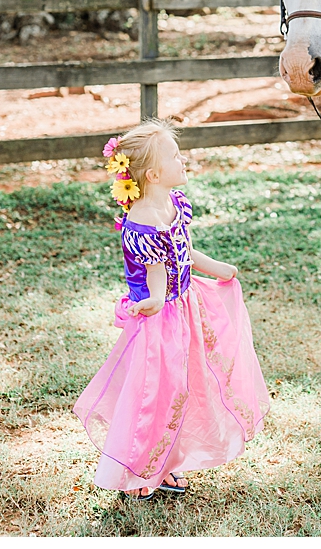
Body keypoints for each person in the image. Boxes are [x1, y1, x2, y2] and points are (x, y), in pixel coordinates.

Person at [73, 120, 270, 498]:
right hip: (158, 317)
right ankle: (142, 470)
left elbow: (184, 250)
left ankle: (167, 461)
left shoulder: (172, 204)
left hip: (184, 305)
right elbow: (157, 272)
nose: (184, 161)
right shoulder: (142, 221)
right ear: (153, 174)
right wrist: (157, 299)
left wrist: (219, 269)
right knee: (157, 393)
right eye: (176, 157)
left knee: (188, 385)